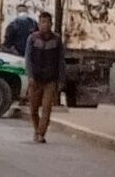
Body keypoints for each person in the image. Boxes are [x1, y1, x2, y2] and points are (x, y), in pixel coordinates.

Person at [24, 12, 65, 144]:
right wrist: (30, 76)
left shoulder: (57, 40)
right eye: (42, 22)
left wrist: (60, 79)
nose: (45, 25)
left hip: (50, 79)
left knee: (47, 107)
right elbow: (28, 59)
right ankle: (36, 129)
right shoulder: (32, 39)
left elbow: (61, 61)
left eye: (47, 22)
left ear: (51, 24)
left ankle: (41, 133)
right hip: (35, 79)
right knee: (34, 108)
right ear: (38, 23)